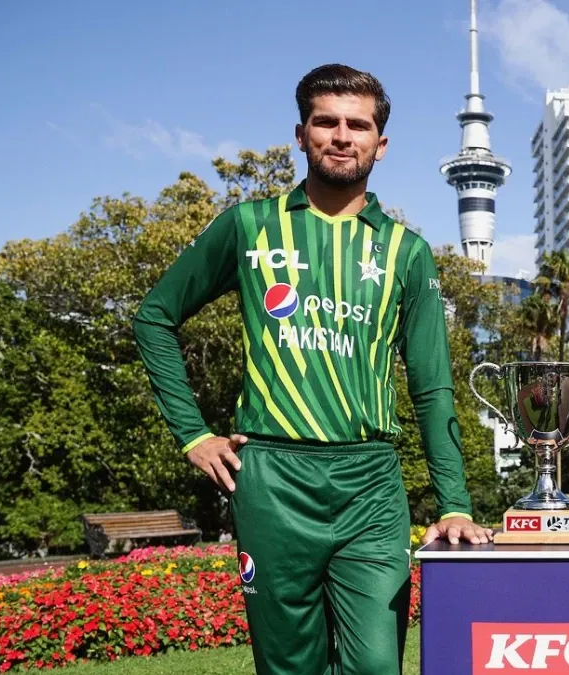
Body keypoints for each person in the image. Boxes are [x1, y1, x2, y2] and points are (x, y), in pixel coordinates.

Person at [133, 63, 492, 675]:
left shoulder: (408, 252)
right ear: (301, 135)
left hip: (371, 484)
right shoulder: (247, 226)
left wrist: (453, 502)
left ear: (381, 142)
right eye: (327, 122)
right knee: (289, 668)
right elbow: (154, 317)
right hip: (273, 478)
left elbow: (432, 388)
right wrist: (193, 435)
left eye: (359, 125)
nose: (342, 136)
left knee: (377, 666)